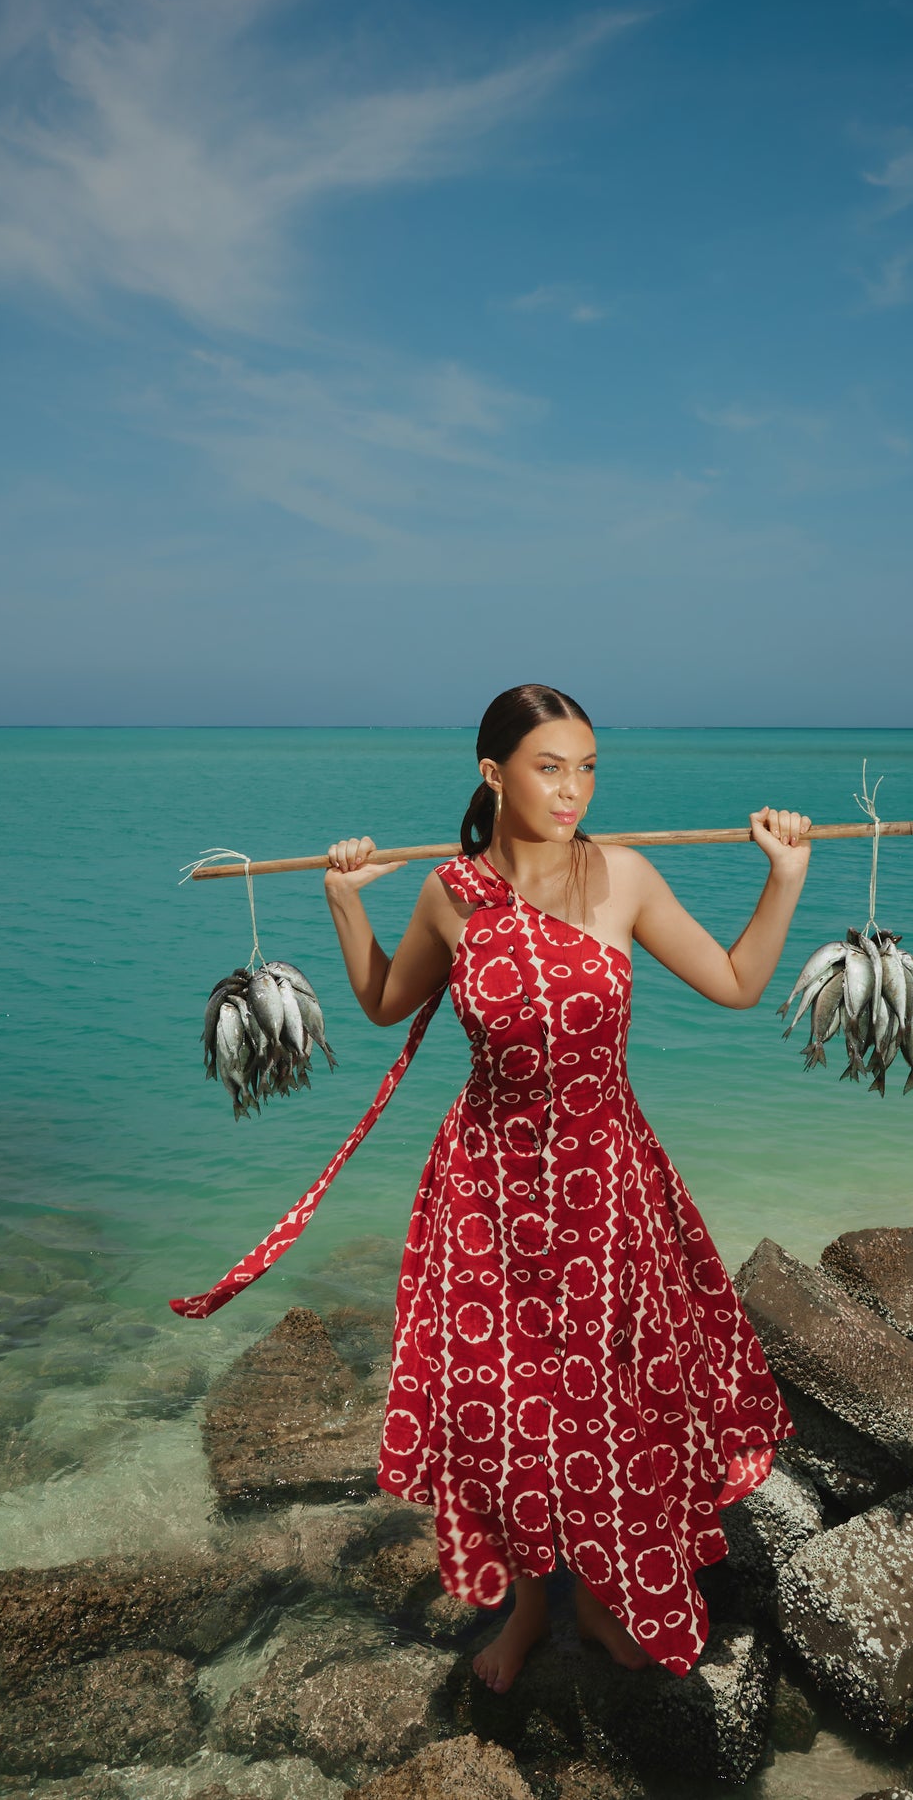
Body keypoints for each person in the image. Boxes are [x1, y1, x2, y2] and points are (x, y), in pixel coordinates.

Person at [320, 684, 810, 1691]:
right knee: (507, 1409)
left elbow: (735, 982)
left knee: (610, 1401)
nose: (571, 789)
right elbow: (378, 1004)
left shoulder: (624, 877)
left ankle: (596, 1599)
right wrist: (342, 901)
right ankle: (528, 1607)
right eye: (549, 767)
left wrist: (785, 877)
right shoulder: (448, 895)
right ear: (491, 774)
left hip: (607, 1185)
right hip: (487, 1190)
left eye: (586, 767)